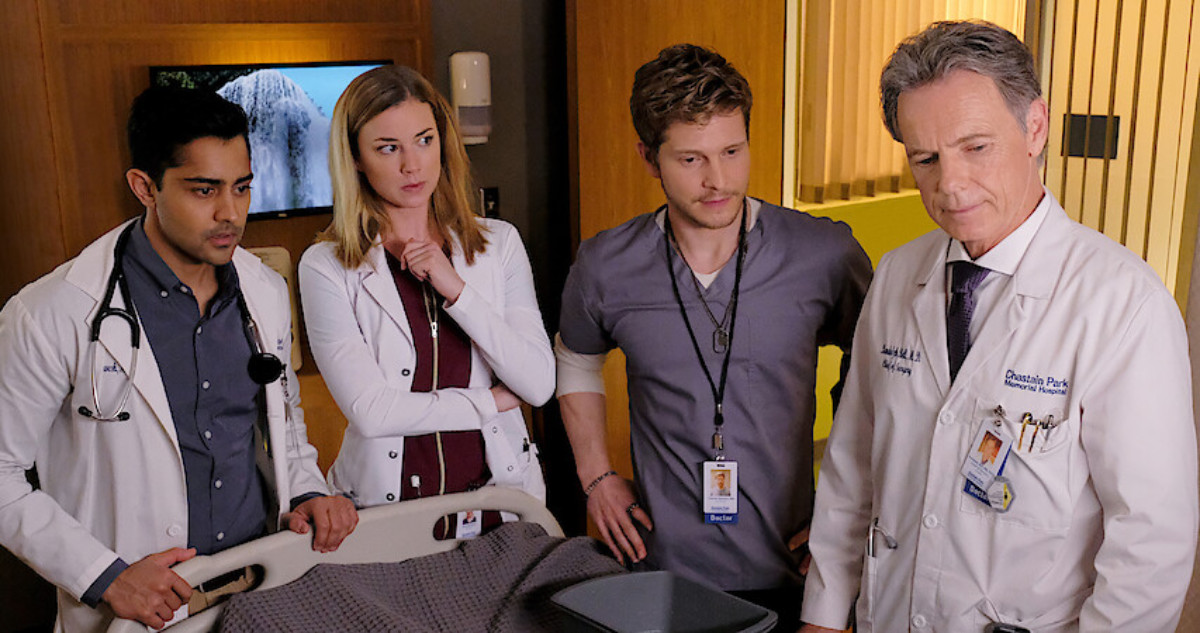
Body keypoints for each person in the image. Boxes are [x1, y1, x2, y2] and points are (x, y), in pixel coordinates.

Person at [800, 20, 1198, 633]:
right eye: (925, 158)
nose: (949, 185)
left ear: (1034, 127)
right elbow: (852, 466)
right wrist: (824, 616)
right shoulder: (898, 275)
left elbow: (1151, 542)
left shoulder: (1123, 305)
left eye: (975, 147)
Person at [0, 86, 358, 633]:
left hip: (259, 585)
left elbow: (280, 422)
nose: (230, 213)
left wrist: (308, 488)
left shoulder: (262, 290)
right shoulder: (52, 313)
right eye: (203, 190)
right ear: (144, 187)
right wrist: (106, 577)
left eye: (241, 188)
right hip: (143, 603)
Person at [556, 44, 872, 629]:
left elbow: (880, 366)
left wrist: (849, 508)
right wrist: (596, 476)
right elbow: (576, 357)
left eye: (732, 151)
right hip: (661, 570)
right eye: (691, 159)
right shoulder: (606, 264)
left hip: (796, 566)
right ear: (649, 159)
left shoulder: (824, 254)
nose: (719, 180)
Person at [298, 65, 553, 528]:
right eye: (388, 148)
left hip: (500, 506)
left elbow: (537, 384)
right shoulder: (326, 266)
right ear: (355, 157)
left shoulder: (499, 244)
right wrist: (487, 402)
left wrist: (454, 287)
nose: (412, 165)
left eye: (424, 140)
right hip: (387, 511)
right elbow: (373, 413)